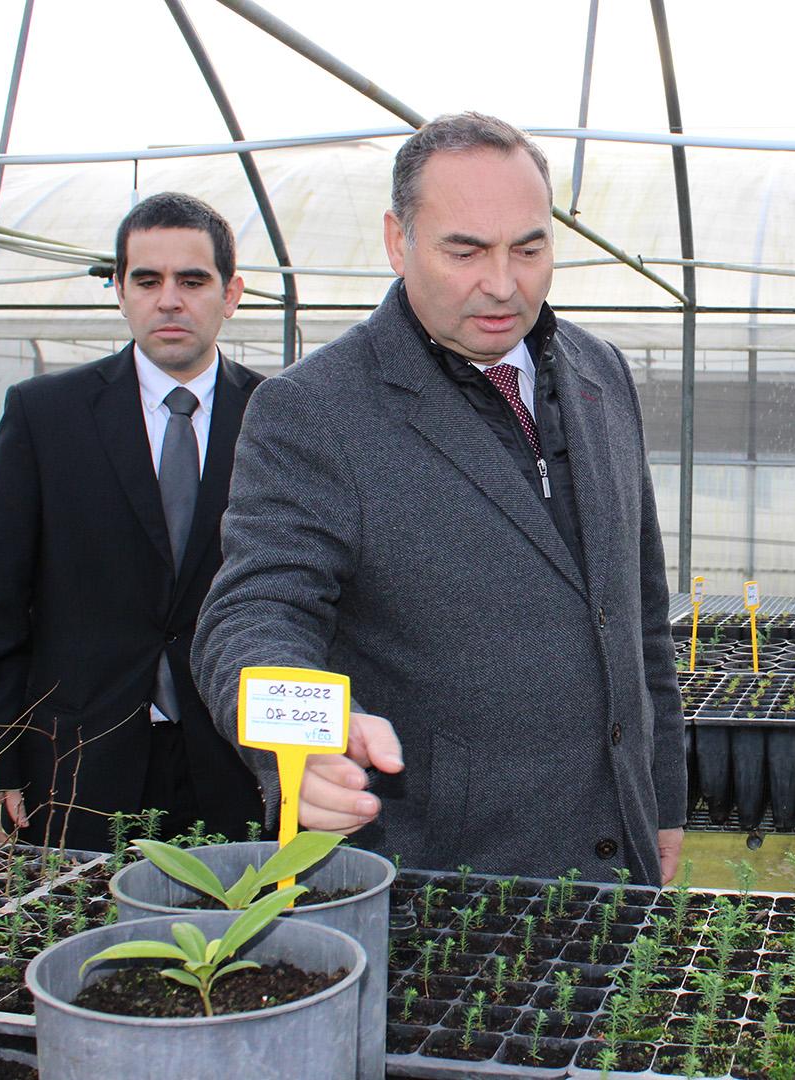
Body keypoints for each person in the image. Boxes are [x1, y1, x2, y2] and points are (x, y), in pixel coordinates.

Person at [192, 113, 685, 886]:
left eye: (529, 247)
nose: (501, 282)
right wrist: (296, 736)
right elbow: (255, 611)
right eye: (465, 250)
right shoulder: (316, 409)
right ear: (399, 241)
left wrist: (662, 800)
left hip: (617, 849)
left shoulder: (601, 374)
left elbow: (639, 611)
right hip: (444, 877)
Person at [0, 192, 264, 852]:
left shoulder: (276, 416)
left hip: (237, 763)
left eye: (192, 280)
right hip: (78, 764)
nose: (168, 300)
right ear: (119, 290)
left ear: (230, 294)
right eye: (147, 280)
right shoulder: (46, 416)